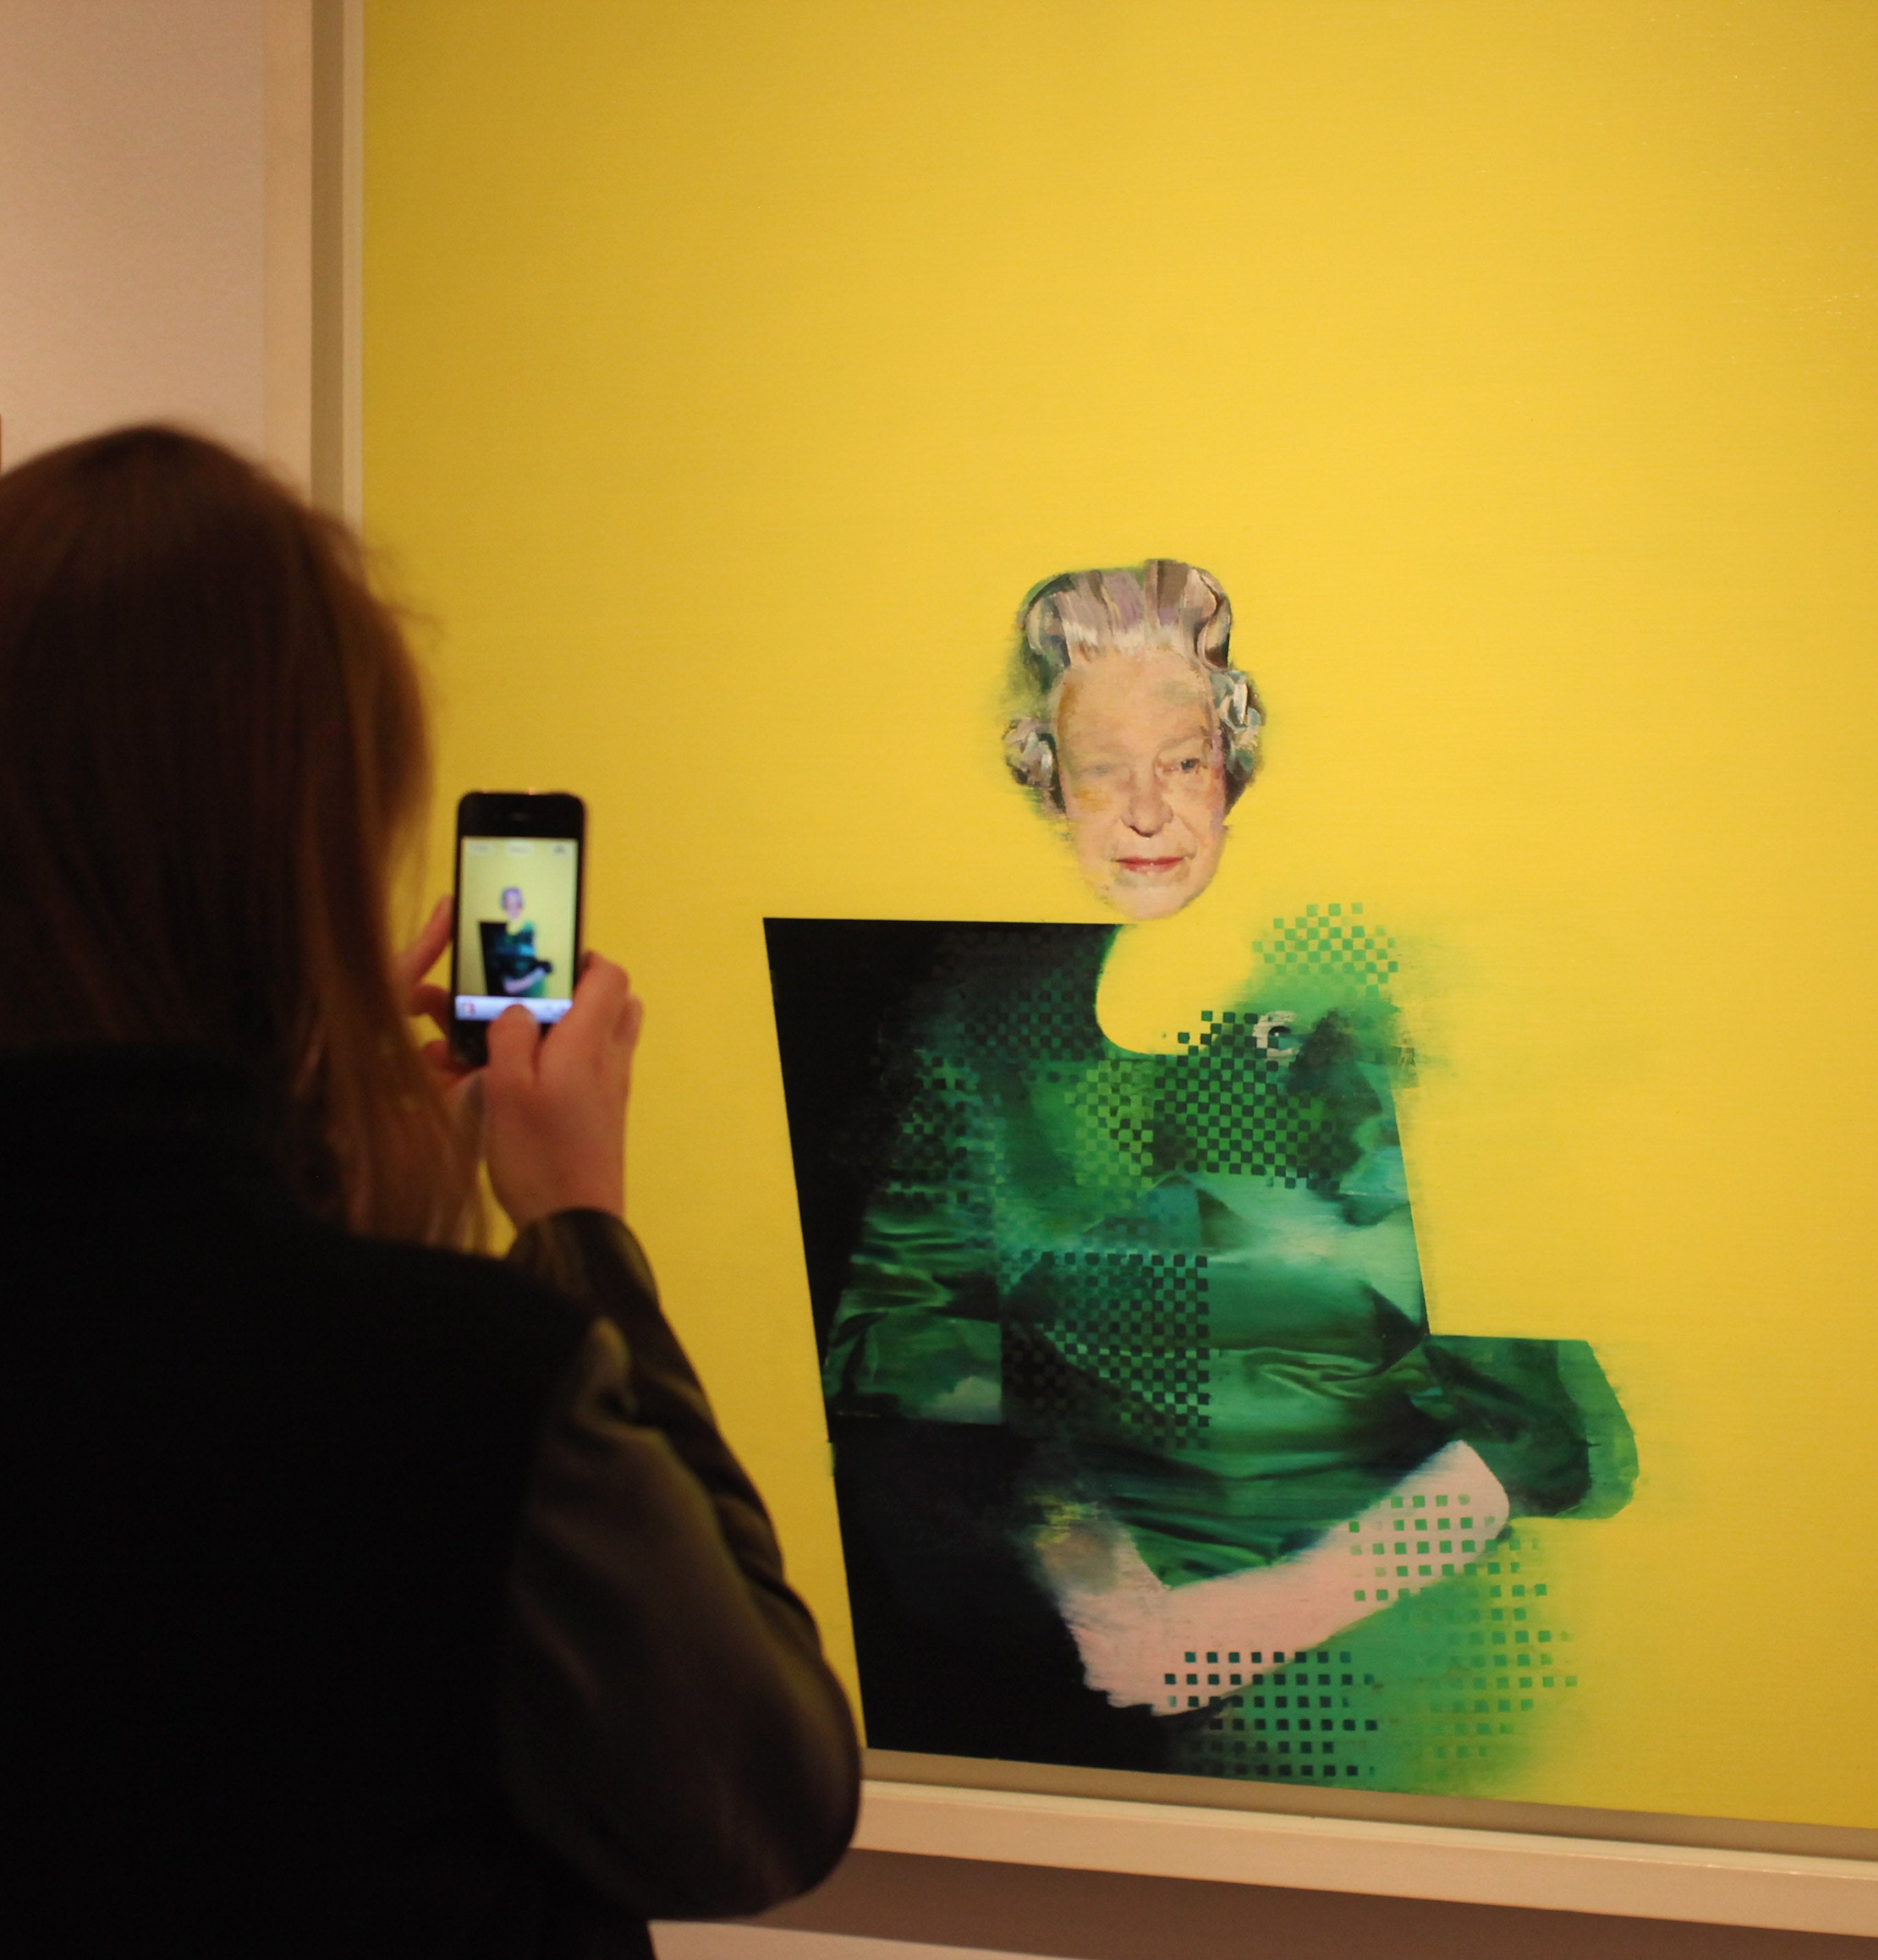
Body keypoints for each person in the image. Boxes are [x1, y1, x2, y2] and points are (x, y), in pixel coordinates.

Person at [0, 427, 860, 1957]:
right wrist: (577, 1229)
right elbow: (764, 1793)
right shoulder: (461, 1387)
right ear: (294, 847)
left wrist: (312, 1167)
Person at [805, 561, 1636, 1787]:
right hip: (1089, 1708)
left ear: (1233, 768)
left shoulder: (1376, 987)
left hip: (1414, 1687)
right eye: (1103, 769)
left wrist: (1259, 1616)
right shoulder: (982, 1023)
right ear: (1048, 781)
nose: (1145, 812)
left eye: (1183, 762)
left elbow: (1549, 1401)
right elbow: (904, 1343)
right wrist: (1102, 1585)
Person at [487, 884, 557, 996]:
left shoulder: (530, 929)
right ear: (504, 906)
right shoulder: (499, 939)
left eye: (517, 905)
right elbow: (509, 987)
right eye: (510, 905)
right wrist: (536, 976)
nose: (514, 910)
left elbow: (540, 961)